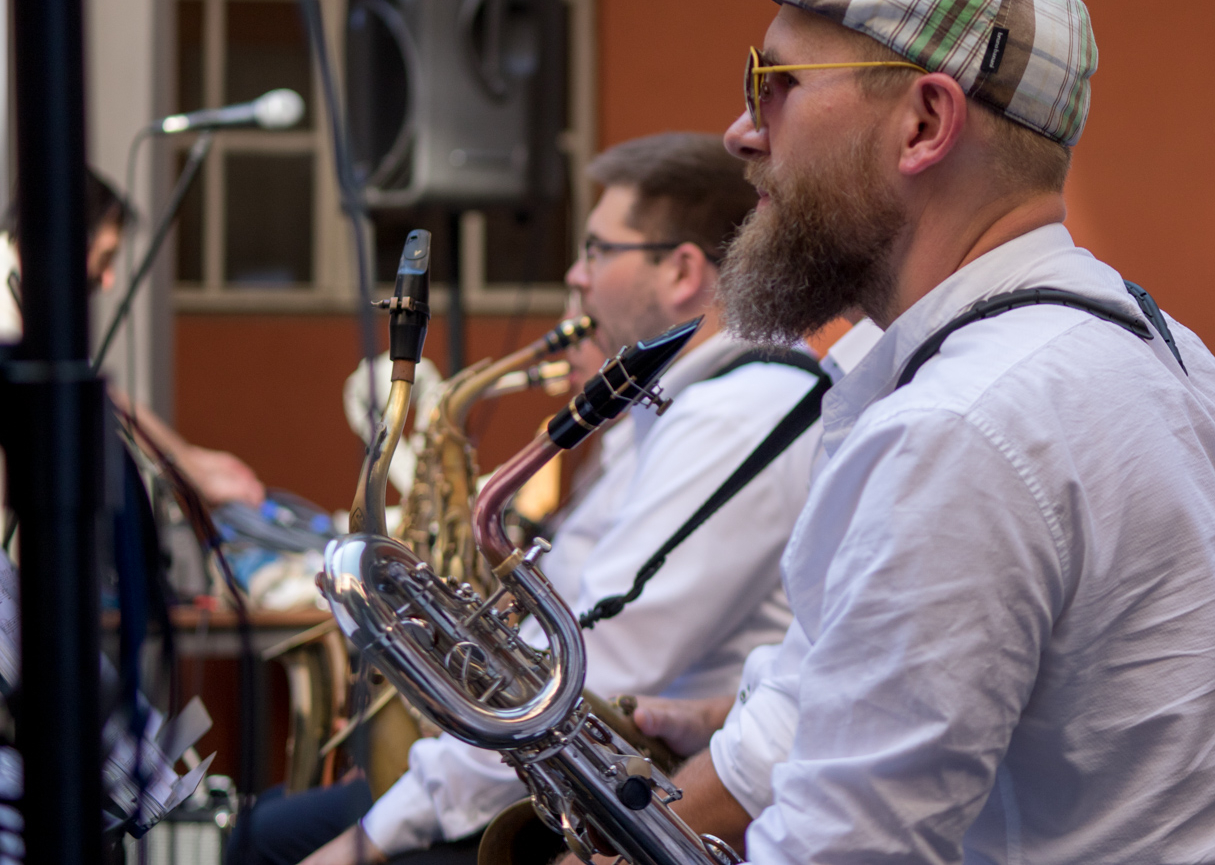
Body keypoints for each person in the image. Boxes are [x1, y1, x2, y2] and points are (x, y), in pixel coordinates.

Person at [624, 0, 1215, 865]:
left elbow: (843, 853)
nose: (741, 130)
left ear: (926, 122)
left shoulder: (959, 428)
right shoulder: (1160, 348)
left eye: (771, 83)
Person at [280, 132, 827, 865]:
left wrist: (381, 828)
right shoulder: (673, 409)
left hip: (635, 798)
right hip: (582, 775)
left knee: (270, 839)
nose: (578, 274)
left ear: (681, 271)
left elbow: (579, 666)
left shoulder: (738, 410)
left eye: (598, 251)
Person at [0, 170, 265, 508]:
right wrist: (191, 470)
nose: (108, 280)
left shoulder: (26, 295)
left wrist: (190, 462)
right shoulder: (6, 317)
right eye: (106, 256)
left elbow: (109, 400)